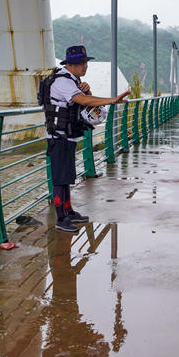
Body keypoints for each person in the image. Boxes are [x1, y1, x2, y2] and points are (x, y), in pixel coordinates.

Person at [44, 45, 130, 232]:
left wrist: (88, 91)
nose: (85, 66)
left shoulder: (73, 80)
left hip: (68, 135)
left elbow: (85, 102)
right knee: (59, 178)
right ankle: (61, 218)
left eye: (86, 62)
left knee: (66, 176)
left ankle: (68, 211)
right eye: (81, 63)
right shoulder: (63, 82)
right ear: (71, 64)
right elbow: (83, 102)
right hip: (58, 137)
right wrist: (112, 100)